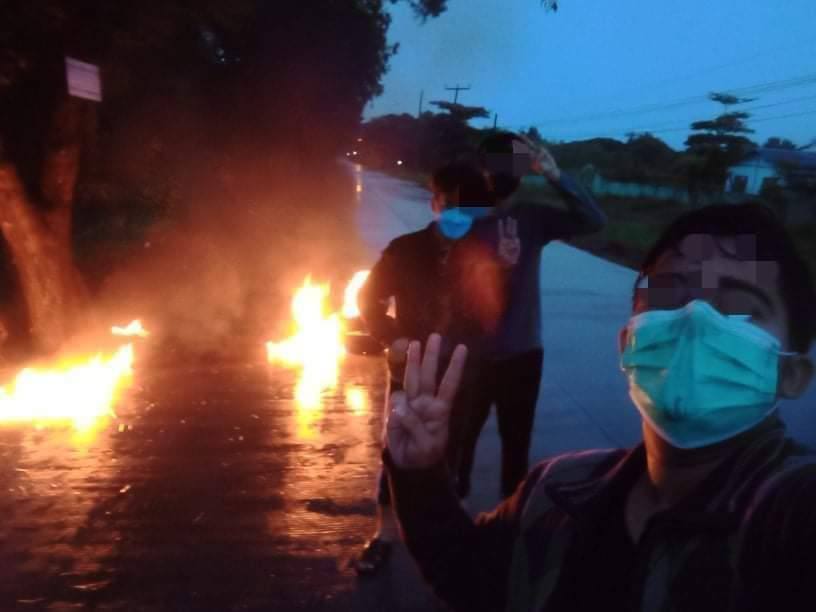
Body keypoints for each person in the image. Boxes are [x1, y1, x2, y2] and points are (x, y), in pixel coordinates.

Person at [383, 203, 816, 611]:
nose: (694, 321)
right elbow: (473, 580)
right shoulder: (555, 490)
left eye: (739, 309)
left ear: (792, 374)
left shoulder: (790, 516)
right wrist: (420, 474)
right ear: (628, 343)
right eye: (668, 296)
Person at [352, 160, 513, 574]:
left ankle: (453, 538)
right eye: (455, 205)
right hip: (411, 369)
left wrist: (504, 271)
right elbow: (367, 300)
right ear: (436, 203)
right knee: (398, 448)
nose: (464, 215)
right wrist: (391, 338)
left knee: (457, 448)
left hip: (465, 369)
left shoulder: (484, 253)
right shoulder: (404, 251)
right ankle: (384, 535)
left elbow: (493, 310)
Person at [455, 131, 607, 500]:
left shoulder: (532, 219)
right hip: (469, 355)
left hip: (521, 355)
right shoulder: (461, 220)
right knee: (458, 446)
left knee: (515, 450)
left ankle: (509, 524)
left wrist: (555, 174)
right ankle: (450, 522)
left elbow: (593, 220)